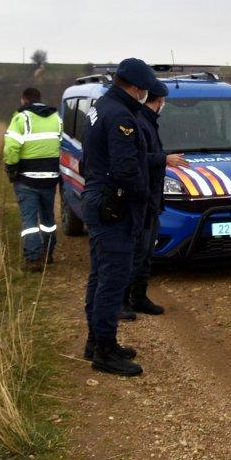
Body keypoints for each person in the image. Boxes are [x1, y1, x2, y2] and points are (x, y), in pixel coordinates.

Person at [81, 58, 159, 376]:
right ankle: (103, 351)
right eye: (145, 90)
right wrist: (144, 197)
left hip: (99, 198)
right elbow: (127, 168)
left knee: (101, 276)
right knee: (112, 280)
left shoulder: (103, 105)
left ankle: (97, 341)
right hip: (115, 206)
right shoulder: (121, 117)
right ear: (138, 88)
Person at [126, 80, 187, 317]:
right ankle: (124, 300)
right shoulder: (140, 123)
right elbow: (138, 157)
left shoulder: (149, 122)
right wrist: (165, 159)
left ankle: (139, 297)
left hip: (152, 198)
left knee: (146, 252)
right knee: (137, 252)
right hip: (142, 196)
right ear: (159, 101)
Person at [2, 87, 61, 271]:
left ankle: (33, 259)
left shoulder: (22, 118)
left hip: (26, 178)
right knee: (48, 218)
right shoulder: (56, 118)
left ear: (24, 100)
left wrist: (11, 169)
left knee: (29, 222)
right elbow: (58, 142)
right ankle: (48, 253)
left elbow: (11, 147)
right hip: (50, 177)